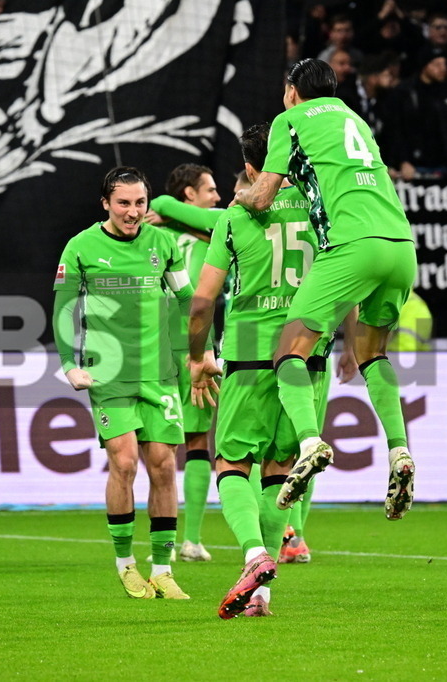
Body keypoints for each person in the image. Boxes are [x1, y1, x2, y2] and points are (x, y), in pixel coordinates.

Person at [229, 58, 417, 521]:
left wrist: (241, 198)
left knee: (288, 350)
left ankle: (311, 441)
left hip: (352, 246)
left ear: (293, 90)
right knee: (374, 354)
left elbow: (265, 195)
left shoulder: (288, 120)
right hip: (402, 246)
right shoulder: (356, 119)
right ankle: (400, 451)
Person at [188, 122, 334, 617]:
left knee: (230, 464)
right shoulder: (322, 211)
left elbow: (203, 301)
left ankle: (253, 556)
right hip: (311, 356)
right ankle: (262, 597)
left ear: (252, 166)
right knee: (279, 473)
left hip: (251, 356)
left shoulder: (236, 216)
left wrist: (196, 358)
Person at [53, 166, 192, 601]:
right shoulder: (81, 247)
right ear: (106, 205)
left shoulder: (164, 244)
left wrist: (196, 351)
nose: (133, 212)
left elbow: (187, 300)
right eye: (124, 203)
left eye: (139, 203)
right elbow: (63, 309)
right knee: (126, 462)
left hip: (160, 373)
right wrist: (68, 364)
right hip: (108, 372)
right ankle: (125, 563)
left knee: (164, 466)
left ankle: (164, 569)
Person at [144, 163, 220, 563]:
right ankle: (184, 539)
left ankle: (173, 541)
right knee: (189, 443)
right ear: (188, 195)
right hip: (186, 344)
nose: (218, 196)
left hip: (165, 345)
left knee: (169, 443)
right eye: (209, 189)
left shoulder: (154, 232)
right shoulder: (211, 233)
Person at [391, 45, 447, 186]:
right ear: (424, 66)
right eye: (436, 64)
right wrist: (402, 161)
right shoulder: (405, 92)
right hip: (413, 169)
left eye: (444, 63)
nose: (443, 68)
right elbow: (395, 130)